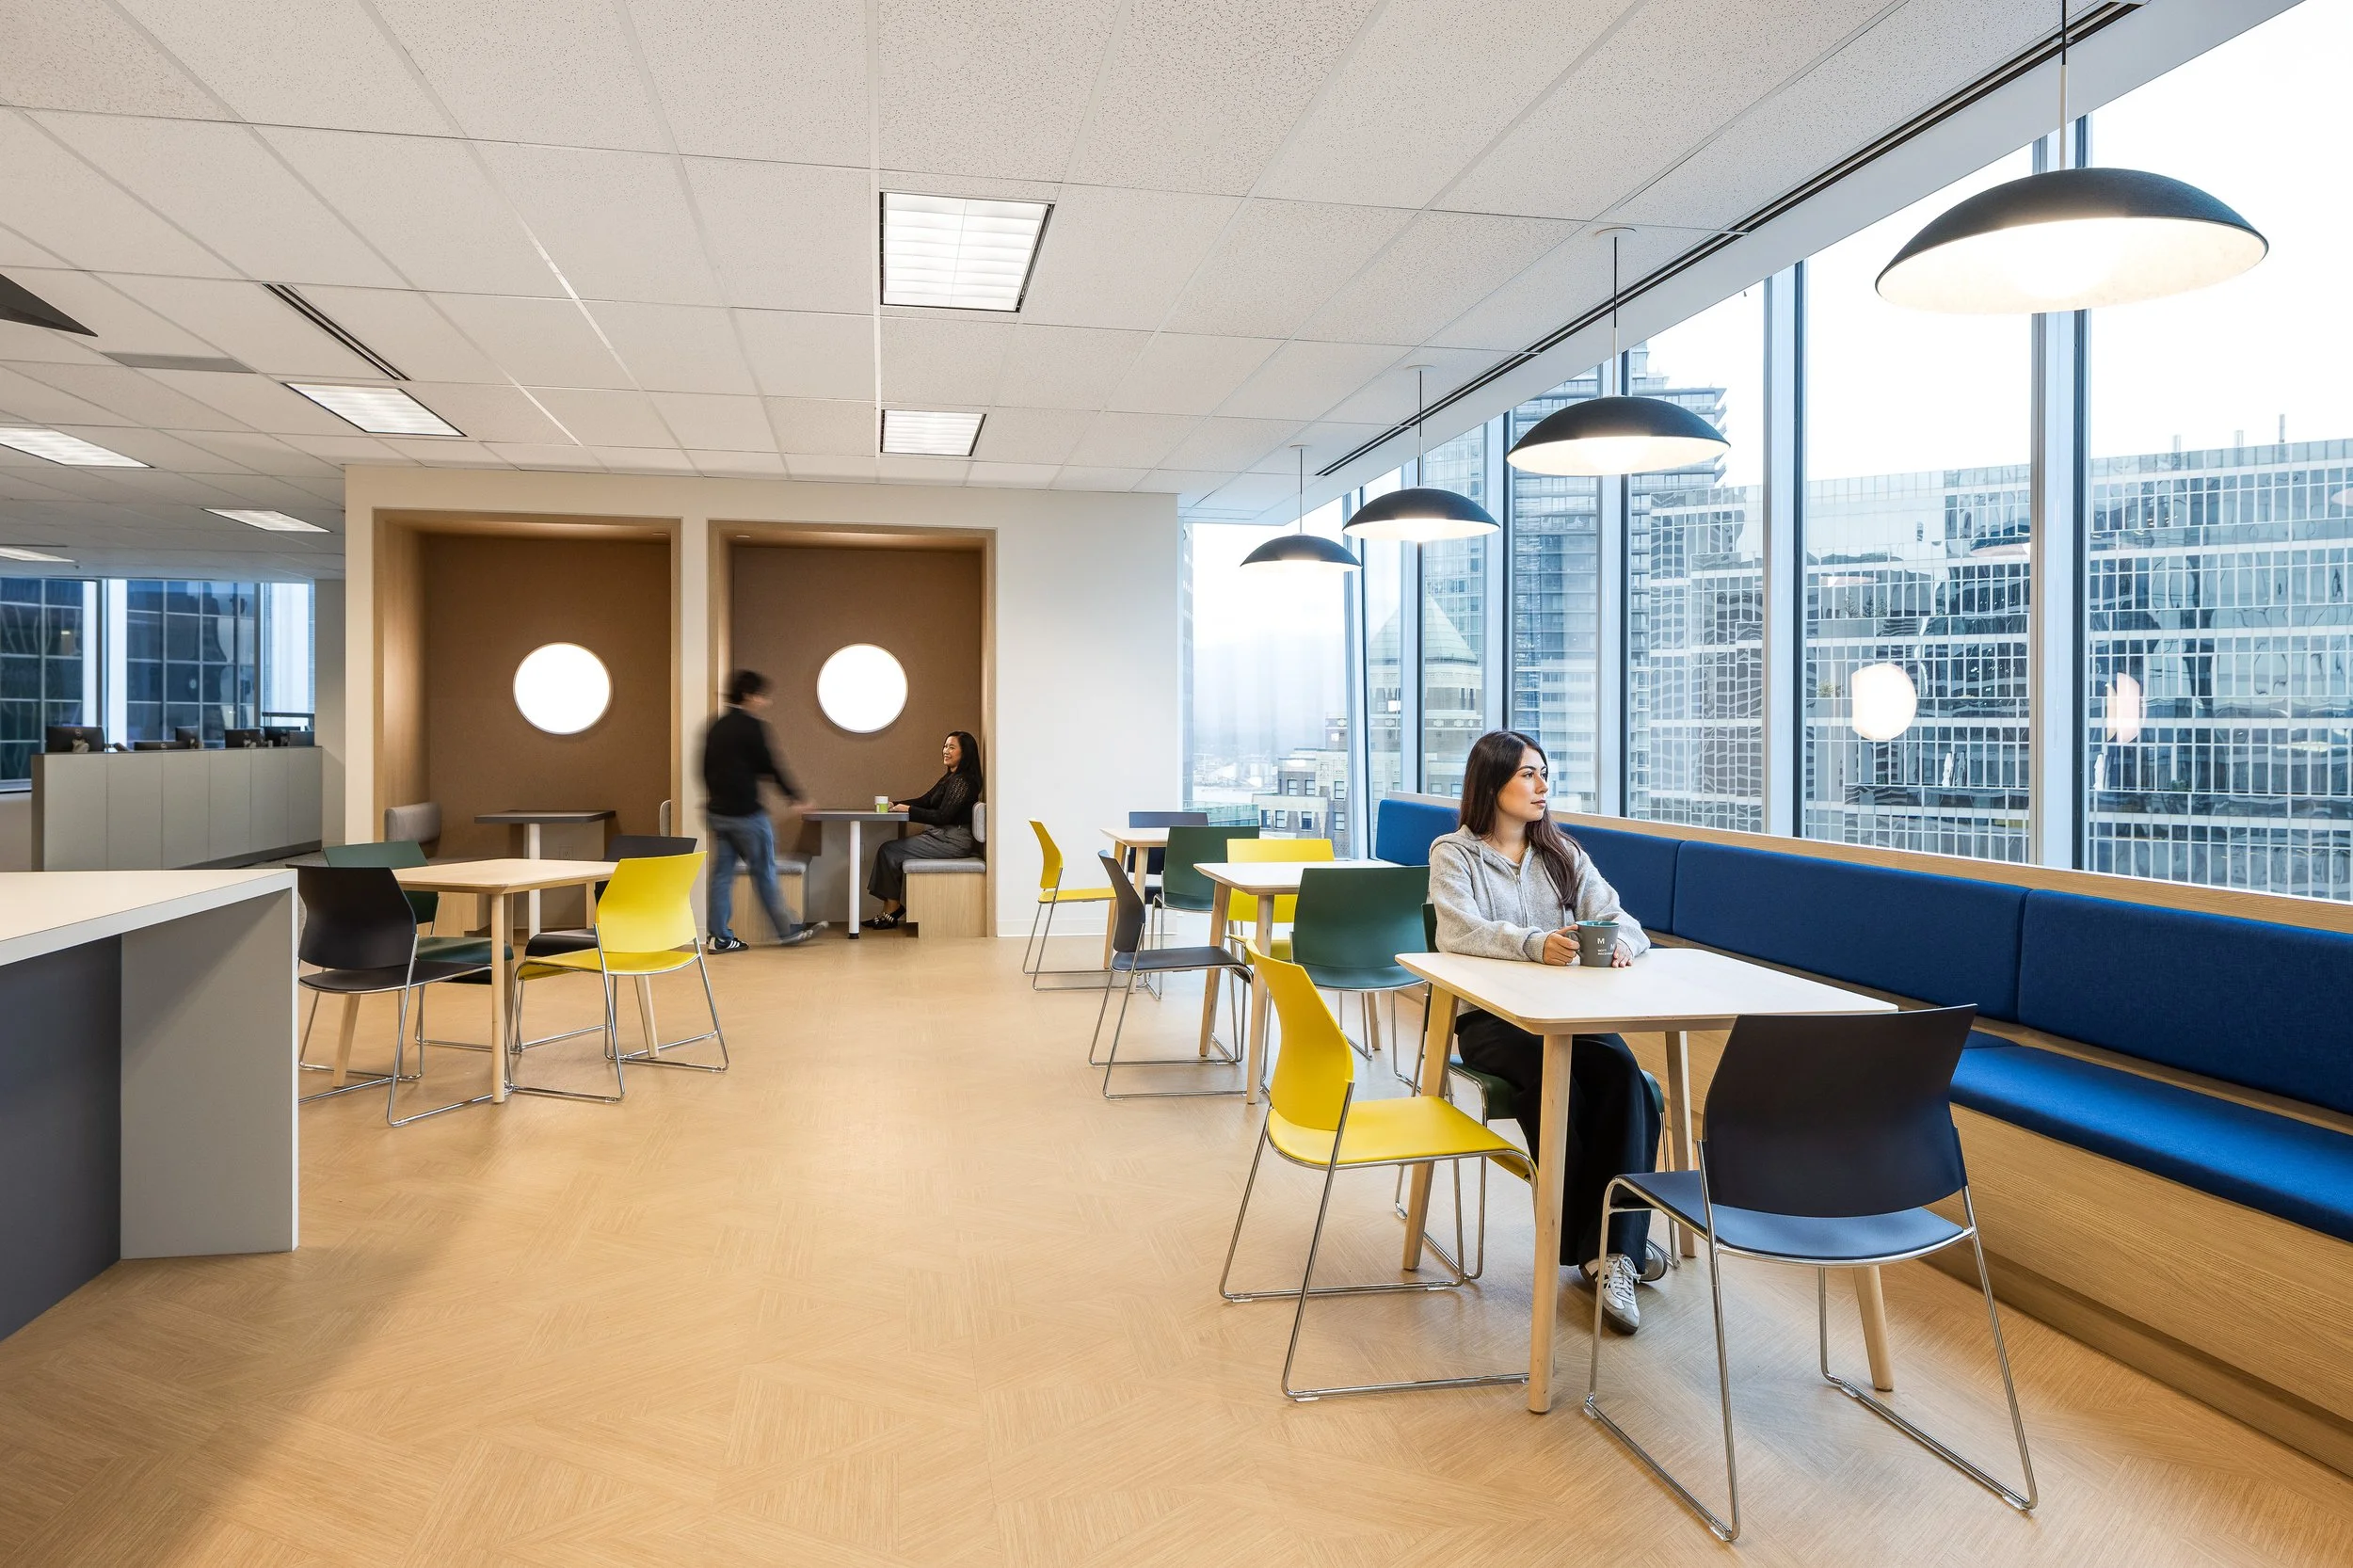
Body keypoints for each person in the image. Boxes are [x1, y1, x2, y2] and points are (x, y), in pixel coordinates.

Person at [1427, 728, 1662, 1336]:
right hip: (1494, 1023)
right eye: (1528, 774)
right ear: (1491, 784)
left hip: (1573, 1017)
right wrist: (1537, 945)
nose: (1542, 785)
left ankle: (1613, 1254)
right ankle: (1609, 1246)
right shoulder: (1454, 853)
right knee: (1562, 1090)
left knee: (1627, 1082)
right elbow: (1458, 932)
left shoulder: (1564, 853)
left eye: (1544, 772)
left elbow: (1618, 917)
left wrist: (1622, 948)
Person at [701, 669, 818, 952]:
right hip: (746, 815)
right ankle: (786, 930)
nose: (766, 702)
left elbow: (703, 769)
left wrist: (718, 799)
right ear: (749, 696)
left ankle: (720, 937)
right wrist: (794, 796)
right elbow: (770, 765)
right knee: (764, 870)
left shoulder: (716, 726)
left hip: (718, 813)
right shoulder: (751, 726)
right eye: (763, 696)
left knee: (722, 874)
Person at [864, 731, 984, 930]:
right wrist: (897, 803)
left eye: (952, 747)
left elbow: (943, 816)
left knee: (889, 850)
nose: (946, 751)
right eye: (945, 746)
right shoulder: (949, 778)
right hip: (940, 837)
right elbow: (925, 801)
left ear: (966, 753)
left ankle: (891, 910)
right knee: (889, 850)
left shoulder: (963, 782)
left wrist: (909, 811)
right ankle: (889, 909)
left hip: (953, 841)